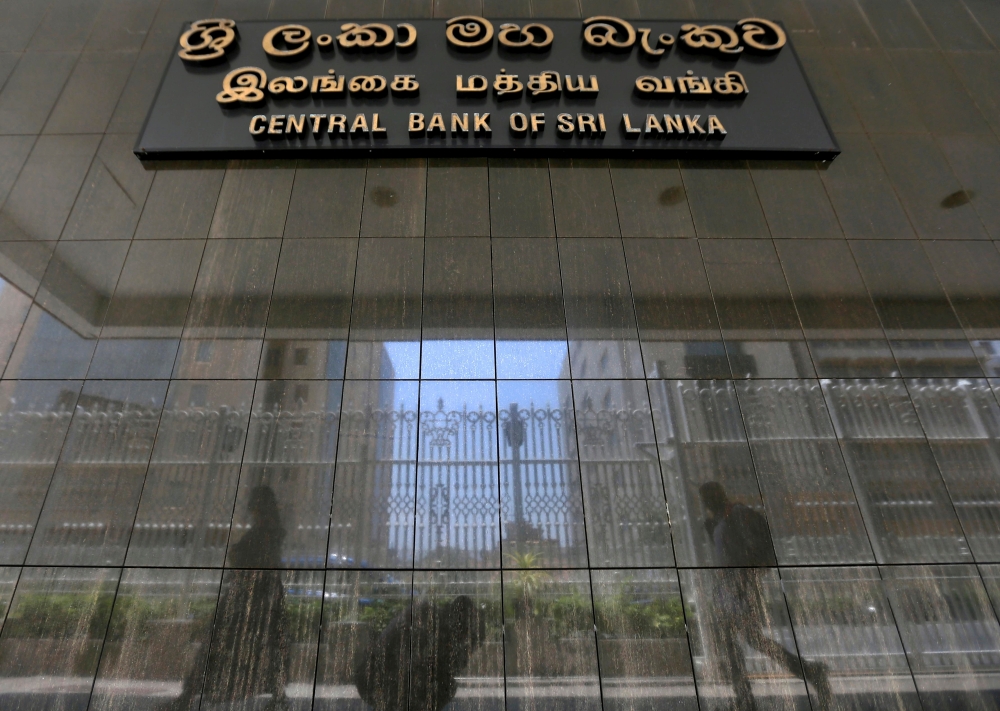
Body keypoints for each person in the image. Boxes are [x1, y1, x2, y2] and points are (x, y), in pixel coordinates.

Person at [699, 482, 832, 711]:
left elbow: (751, 548)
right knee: (744, 640)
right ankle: (809, 672)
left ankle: (746, 697)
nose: (706, 502)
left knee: (734, 640)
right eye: (704, 498)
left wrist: (747, 577)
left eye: (709, 496)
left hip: (742, 586)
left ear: (719, 495)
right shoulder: (717, 521)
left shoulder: (737, 514)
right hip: (729, 588)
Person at [164, 485, 290, 711]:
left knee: (217, 644)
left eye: (254, 503)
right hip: (259, 595)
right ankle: (278, 697)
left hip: (251, 596)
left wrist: (238, 558)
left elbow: (259, 564)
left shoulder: (266, 533)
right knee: (269, 647)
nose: (252, 508)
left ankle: (188, 696)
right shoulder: (270, 531)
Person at [355, 595, 485, 711]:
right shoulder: (431, 624)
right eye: (466, 641)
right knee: (445, 686)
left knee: (444, 684)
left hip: (377, 678)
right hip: (378, 682)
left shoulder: (432, 619)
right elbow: (414, 667)